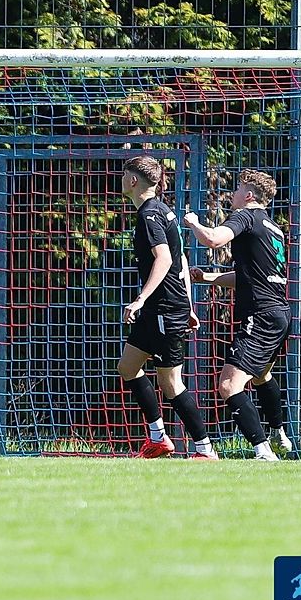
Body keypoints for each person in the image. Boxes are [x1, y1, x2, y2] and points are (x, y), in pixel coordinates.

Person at [184, 169, 292, 460]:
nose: (232, 195)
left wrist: (194, 224)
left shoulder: (245, 216)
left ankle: (263, 451)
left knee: (229, 385)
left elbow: (215, 240)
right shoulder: (272, 227)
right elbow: (251, 277)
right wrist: (209, 278)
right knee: (261, 375)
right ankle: (277, 431)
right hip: (279, 313)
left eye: (236, 189)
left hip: (261, 314)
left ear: (248, 196)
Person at [117, 156, 216, 459]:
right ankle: (159, 438)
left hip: (162, 309)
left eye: (124, 175)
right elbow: (182, 260)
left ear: (133, 181)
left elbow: (165, 259)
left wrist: (141, 298)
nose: (121, 179)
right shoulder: (161, 210)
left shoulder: (149, 215)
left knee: (171, 383)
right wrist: (188, 304)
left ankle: (204, 449)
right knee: (128, 368)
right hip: (165, 307)